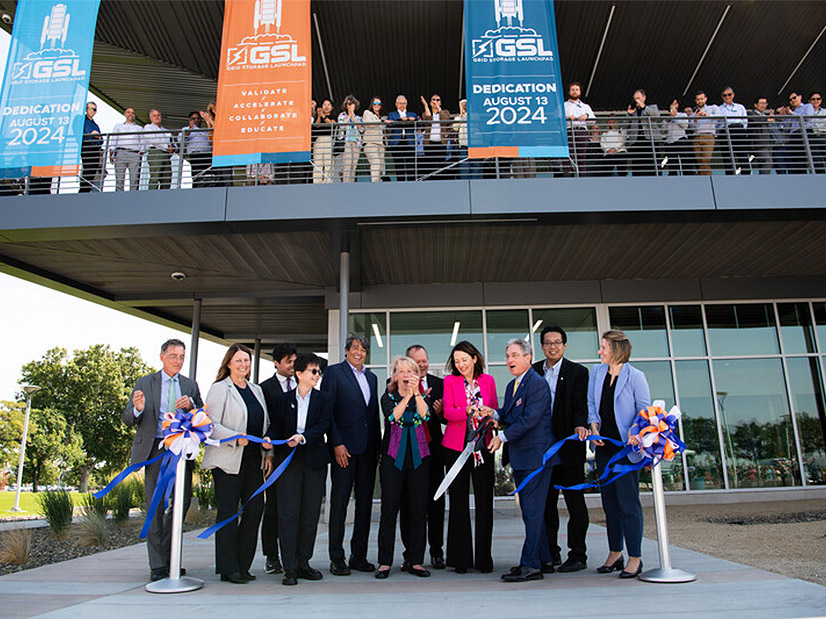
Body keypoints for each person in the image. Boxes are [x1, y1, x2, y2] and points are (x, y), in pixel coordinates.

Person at [121, 339, 203, 582]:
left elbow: (201, 415)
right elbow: (127, 419)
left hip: (181, 451)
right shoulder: (145, 383)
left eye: (181, 357)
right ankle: (158, 565)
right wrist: (137, 409)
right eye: (173, 356)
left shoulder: (189, 384)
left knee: (183, 502)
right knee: (156, 507)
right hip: (156, 451)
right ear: (162, 357)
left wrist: (192, 406)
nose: (177, 361)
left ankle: (170, 558)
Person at [479, 339, 553, 583]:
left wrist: (502, 437)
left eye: (514, 355)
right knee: (531, 512)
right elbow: (510, 414)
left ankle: (530, 564)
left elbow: (530, 420)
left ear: (528, 357)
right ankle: (544, 559)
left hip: (536, 457)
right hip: (521, 458)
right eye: (507, 355)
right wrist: (493, 413)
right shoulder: (513, 384)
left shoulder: (538, 384)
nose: (509, 360)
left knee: (532, 511)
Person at [201, 344, 271, 584]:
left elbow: (265, 422)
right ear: (229, 363)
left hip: (253, 461)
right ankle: (228, 568)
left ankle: (243, 565)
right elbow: (210, 424)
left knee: (254, 511)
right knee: (229, 514)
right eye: (239, 360)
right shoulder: (220, 389)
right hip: (227, 462)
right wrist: (233, 437)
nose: (244, 365)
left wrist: (267, 441)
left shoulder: (256, 390)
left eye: (247, 361)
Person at [587, 329, 651, 579]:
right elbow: (592, 404)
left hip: (626, 452)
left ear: (617, 349)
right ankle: (615, 553)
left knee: (627, 504)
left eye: (604, 347)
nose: (600, 351)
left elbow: (644, 411)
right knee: (609, 504)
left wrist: (636, 432)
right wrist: (593, 426)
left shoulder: (636, 376)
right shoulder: (597, 372)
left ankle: (635, 557)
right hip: (603, 449)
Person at [265, 353, 331, 586]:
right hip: (289, 464)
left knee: (310, 514)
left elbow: (323, 425)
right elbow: (275, 427)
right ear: (299, 373)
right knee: (288, 514)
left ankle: (304, 562)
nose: (316, 376)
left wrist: (302, 437)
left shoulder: (323, 399)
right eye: (313, 371)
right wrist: (268, 440)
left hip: (314, 462)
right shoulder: (283, 400)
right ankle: (289, 567)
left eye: (318, 372)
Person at [531, 326, 590, 573]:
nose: (552, 347)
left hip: (568, 447)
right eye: (547, 343)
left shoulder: (578, 372)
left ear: (564, 346)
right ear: (542, 346)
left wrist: (580, 425)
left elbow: (581, 405)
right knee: (546, 505)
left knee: (575, 503)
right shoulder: (533, 370)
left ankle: (577, 554)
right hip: (543, 449)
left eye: (557, 342)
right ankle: (550, 553)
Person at [321, 334, 381, 576]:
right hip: (343, 451)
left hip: (367, 451)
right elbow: (327, 412)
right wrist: (336, 443)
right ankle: (337, 558)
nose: (359, 352)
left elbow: (373, 416)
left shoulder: (372, 377)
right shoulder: (334, 373)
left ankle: (359, 556)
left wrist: (377, 447)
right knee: (340, 504)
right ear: (346, 351)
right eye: (355, 348)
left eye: (363, 349)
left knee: (365, 505)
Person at [442, 340, 497, 574]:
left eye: (464, 360)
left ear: (474, 358)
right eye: (456, 361)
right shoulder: (450, 381)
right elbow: (447, 411)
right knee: (458, 502)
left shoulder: (488, 381)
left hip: (483, 446)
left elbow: (494, 408)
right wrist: (465, 410)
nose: (461, 364)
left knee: (485, 502)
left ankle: (484, 559)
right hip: (456, 447)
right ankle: (459, 559)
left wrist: (490, 415)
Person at [375, 356, 432, 579]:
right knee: (389, 510)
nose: (406, 375)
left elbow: (425, 415)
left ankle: (416, 560)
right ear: (395, 375)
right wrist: (406, 395)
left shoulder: (421, 396)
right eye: (402, 371)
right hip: (392, 459)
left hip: (419, 459)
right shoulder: (387, 397)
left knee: (418, 510)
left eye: (411, 371)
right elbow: (392, 417)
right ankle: (384, 562)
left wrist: (415, 393)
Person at [399, 344, 445, 570]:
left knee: (435, 503)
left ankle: (437, 551)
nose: (423, 365)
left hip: (433, 452)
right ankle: (411, 554)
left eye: (425, 360)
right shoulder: (401, 386)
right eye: (418, 362)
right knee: (410, 506)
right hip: (409, 454)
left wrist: (439, 413)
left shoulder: (440, 385)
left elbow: (448, 417)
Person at [258, 343, 298, 575]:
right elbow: (266, 425)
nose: (293, 366)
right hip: (276, 455)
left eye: (295, 361)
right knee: (273, 507)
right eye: (289, 362)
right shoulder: (265, 389)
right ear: (277, 363)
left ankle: (293, 555)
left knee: (293, 510)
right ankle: (272, 556)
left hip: (298, 455)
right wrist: (269, 455)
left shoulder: (303, 385)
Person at [625, 89, 662, 176]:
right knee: (637, 167)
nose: (636, 100)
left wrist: (644, 107)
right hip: (636, 142)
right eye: (635, 98)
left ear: (644, 98)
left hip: (650, 140)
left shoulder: (652, 107)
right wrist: (629, 114)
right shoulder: (633, 111)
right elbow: (624, 125)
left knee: (652, 164)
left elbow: (656, 116)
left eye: (638, 98)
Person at [563, 82, 595, 176]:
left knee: (581, 156)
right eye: (572, 90)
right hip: (568, 131)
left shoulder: (586, 106)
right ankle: (568, 178)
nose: (574, 92)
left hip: (581, 131)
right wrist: (567, 117)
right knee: (567, 157)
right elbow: (558, 119)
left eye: (577, 90)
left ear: (580, 92)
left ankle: (582, 178)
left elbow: (593, 120)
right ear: (569, 92)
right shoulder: (563, 105)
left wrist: (586, 115)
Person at [108, 107, 143, 191]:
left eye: (132, 113)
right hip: (121, 153)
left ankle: (133, 198)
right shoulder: (118, 126)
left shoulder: (139, 128)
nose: (130, 114)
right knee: (119, 179)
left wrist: (141, 152)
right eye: (128, 112)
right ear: (124, 114)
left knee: (134, 179)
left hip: (134, 154)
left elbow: (142, 142)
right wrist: (111, 153)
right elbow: (114, 140)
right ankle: (118, 198)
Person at [387, 95, 420, 181]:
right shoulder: (392, 114)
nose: (402, 105)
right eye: (400, 103)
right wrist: (401, 120)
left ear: (407, 104)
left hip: (409, 142)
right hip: (396, 143)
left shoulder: (412, 114)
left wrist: (411, 120)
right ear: (396, 104)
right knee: (399, 167)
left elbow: (420, 125)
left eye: (404, 103)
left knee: (411, 167)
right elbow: (389, 125)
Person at [421, 94, 453, 179]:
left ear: (441, 102)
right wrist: (426, 105)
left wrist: (439, 109)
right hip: (429, 143)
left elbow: (445, 120)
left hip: (441, 143)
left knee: (441, 165)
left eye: (438, 100)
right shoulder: (426, 112)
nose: (435, 101)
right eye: (433, 100)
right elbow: (427, 119)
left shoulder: (445, 112)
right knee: (429, 165)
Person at [718, 87, 749, 175]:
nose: (727, 97)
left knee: (742, 156)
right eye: (724, 95)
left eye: (729, 94)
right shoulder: (719, 109)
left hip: (739, 131)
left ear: (733, 95)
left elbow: (745, 122)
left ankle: (746, 176)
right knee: (728, 158)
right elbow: (717, 124)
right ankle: (730, 177)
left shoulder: (740, 107)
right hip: (726, 132)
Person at [142, 109, 175, 190]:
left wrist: (173, 148)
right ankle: (152, 197)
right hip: (155, 153)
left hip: (166, 155)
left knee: (167, 178)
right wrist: (167, 147)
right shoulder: (148, 127)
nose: (157, 117)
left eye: (158, 115)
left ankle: (164, 198)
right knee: (155, 177)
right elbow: (154, 140)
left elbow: (173, 143)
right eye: (154, 115)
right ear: (151, 118)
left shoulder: (166, 131)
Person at [180, 111, 212, 187]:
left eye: (198, 118)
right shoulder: (185, 129)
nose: (196, 120)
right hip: (196, 156)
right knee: (197, 176)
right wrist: (189, 131)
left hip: (207, 156)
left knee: (208, 176)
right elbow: (180, 141)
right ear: (189, 120)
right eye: (193, 118)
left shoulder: (205, 130)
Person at [691, 91, 720, 175]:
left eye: (702, 99)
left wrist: (707, 115)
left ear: (706, 99)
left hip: (708, 136)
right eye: (698, 99)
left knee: (706, 160)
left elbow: (720, 117)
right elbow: (690, 127)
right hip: (697, 137)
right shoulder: (694, 113)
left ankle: (707, 178)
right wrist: (695, 119)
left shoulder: (713, 108)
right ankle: (705, 178)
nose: (700, 101)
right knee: (699, 161)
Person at [336, 95, 363, 183]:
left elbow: (361, 128)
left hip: (356, 142)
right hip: (346, 141)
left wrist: (353, 117)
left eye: (352, 104)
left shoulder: (358, 118)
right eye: (348, 104)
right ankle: (345, 183)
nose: (350, 105)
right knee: (347, 164)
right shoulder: (342, 115)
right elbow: (342, 126)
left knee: (354, 165)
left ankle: (351, 183)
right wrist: (349, 115)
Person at [747, 97, 776, 174]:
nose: (763, 105)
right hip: (759, 144)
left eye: (765, 103)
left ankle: (763, 179)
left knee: (764, 163)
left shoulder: (765, 115)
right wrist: (767, 119)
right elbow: (755, 121)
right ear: (755, 105)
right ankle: (765, 181)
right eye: (761, 103)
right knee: (768, 162)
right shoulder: (751, 113)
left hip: (768, 144)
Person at [663, 98, 691, 175]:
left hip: (680, 140)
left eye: (675, 104)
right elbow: (663, 131)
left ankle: (688, 177)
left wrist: (675, 117)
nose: (674, 106)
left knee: (685, 163)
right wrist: (666, 122)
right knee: (672, 165)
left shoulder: (682, 115)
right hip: (670, 142)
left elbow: (685, 126)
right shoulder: (666, 118)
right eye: (672, 104)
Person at [80, 102, 103, 193]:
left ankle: (87, 190)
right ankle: (83, 191)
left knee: (92, 172)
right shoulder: (82, 121)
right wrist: (92, 134)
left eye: (95, 109)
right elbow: (84, 134)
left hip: (95, 149)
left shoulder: (95, 125)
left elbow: (101, 140)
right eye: (91, 109)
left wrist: (96, 135)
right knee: (87, 170)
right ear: (86, 109)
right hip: (87, 147)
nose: (93, 111)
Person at [362, 96, 386, 183]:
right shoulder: (367, 113)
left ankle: (378, 181)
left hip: (381, 144)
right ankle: (374, 183)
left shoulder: (382, 117)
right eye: (375, 103)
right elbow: (369, 124)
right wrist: (382, 122)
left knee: (381, 165)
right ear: (371, 104)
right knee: (375, 161)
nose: (377, 105)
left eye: (379, 104)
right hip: (370, 142)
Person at [313, 98, 336, 183]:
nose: (326, 106)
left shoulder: (333, 116)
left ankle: (327, 181)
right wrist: (319, 116)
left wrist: (323, 116)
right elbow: (317, 126)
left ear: (332, 107)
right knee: (318, 162)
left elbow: (332, 124)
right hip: (319, 140)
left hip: (329, 139)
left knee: (328, 162)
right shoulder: (319, 116)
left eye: (328, 105)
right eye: (324, 105)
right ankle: (317, 181)